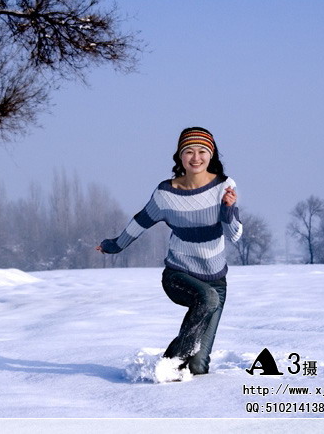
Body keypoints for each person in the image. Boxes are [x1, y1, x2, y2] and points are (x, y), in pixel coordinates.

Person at [96, 127, 243, 375]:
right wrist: (114, 245)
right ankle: (169, 365)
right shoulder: (166, 194)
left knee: (198, 366)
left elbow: (235, 235)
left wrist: (228, 210)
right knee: (206, 299)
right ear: (180, 156)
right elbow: (141, 221)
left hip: (216, 280)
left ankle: (171, 365)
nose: (195, 157)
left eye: (202, 151)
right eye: (188, 151)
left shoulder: (223, 186)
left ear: (211, 154)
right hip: (179, 275)